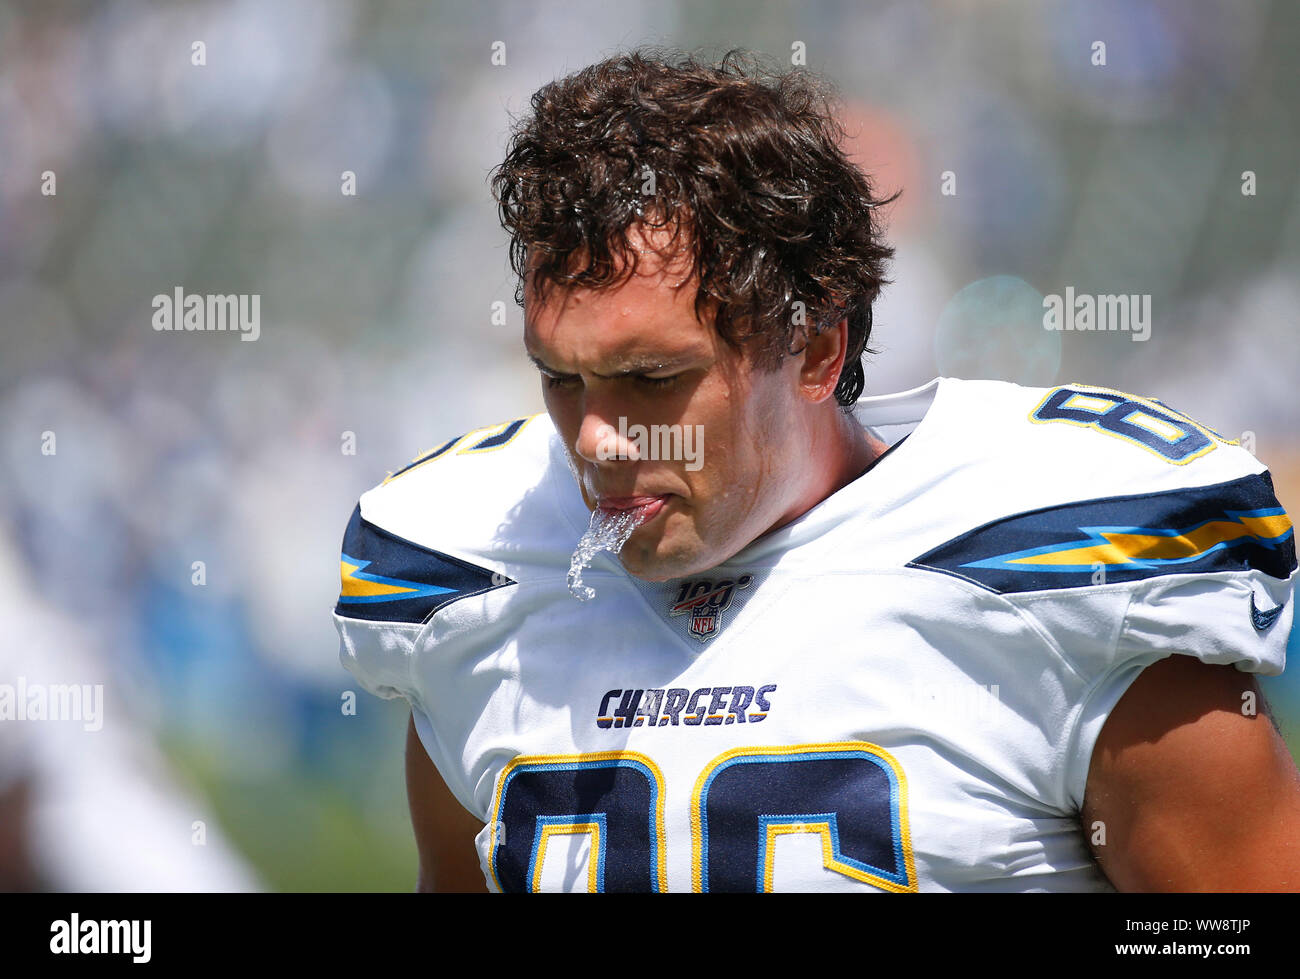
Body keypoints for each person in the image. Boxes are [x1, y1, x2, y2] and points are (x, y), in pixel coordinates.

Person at [332, 49, 1299, 892]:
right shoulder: (472, 572)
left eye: (652, 378)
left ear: (817, 351)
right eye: (562, 378)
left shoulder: (1063, 563)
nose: (597, 438)